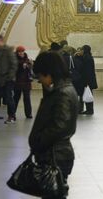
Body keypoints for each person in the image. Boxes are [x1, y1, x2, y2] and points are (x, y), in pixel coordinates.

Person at [29, 52, 78, 195]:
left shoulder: (62, 93)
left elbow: (60, 126)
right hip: (55, 155)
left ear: (49, 72)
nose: (41, 81)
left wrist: (39, 141)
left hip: (56, 157)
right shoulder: (61, 90)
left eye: (40, 76)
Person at [0, 35, 18, 124]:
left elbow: (14, 64)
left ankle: (11, 116)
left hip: (7, 79)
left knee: (8, 98)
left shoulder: (8, 50)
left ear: (1, 41)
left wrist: (9, 77)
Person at [13, 46, 33, 119]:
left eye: (22, 52)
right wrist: (21, 65)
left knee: (27, 98)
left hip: (26, 82)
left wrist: (29, 65)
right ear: (17, 52)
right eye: (20, 52)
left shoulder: (27, 59)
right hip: (17, 82)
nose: (21, 53)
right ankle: (12, 113)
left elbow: (31, 69)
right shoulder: (14, 60)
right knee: (16, 98)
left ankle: (28, 114)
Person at [79, 45, 97, 115]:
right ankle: (89, 109)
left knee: (88, 94)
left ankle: (89, 110)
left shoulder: (86, 58)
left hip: (87, 80)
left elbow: (86, 70)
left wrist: (86, 82)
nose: (81, 51)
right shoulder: (89, 57)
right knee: (88, 94)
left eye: (82, 50)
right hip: (89, 79)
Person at [71, 47, 85, 113]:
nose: (78, 52)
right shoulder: (73, 59)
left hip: (81, 80)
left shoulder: (83, 59)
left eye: (80, 51)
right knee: (75, 95)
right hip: (76, 79)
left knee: (81, 95)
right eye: (77, 51)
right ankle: (75, 108)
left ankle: (80, 108)